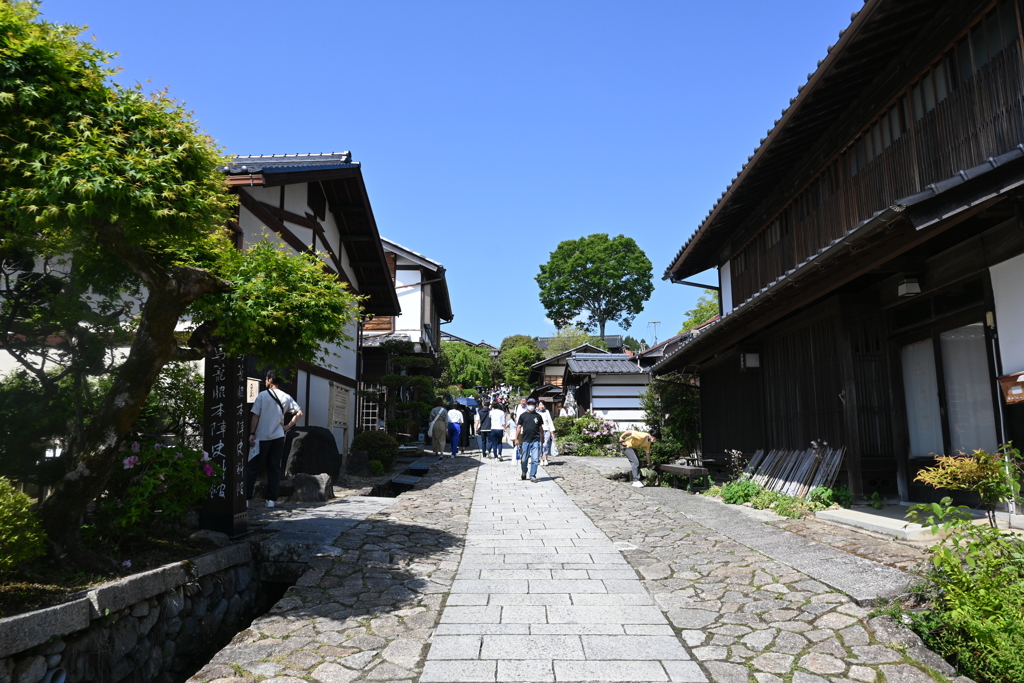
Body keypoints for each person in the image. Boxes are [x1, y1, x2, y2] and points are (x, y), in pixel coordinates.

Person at [247, 372, 303, 508]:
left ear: (270, 380)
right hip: (278, 436)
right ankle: (271, 500)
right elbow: (299, 413)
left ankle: (246, 499)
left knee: (253, 467)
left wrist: (252, 433)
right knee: (274, 468)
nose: (265, 381)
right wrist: (287, 426)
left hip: (262, 436)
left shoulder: (262, 395)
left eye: (266, 379)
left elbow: (255, 416)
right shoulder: (286, 396)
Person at [515, 398, 548, 482]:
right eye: (529, 403)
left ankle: (532, 475)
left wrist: (542, 437)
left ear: (535, 405)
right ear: (527, 404)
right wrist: (516, 438)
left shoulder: (538, 416)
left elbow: (540, 427)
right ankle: (524, 471)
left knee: (535, 459)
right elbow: (519, 427)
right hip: (526, 440)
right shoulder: (523, 415)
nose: (531, 405)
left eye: (532, 404)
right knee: (524, 459)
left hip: (535, 440)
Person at [537, 401, 555, 466]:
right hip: (538, 431)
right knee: (539, 445)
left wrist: (552, 432)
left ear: (545, 406)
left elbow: (550, 422)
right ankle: (541, 459)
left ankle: (546, 459)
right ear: (538, 406)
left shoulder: (547, 412)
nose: (541, 406)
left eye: (543, 405)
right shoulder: (536, 412)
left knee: (545, 445)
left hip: (546, 430)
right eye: (540, 405)